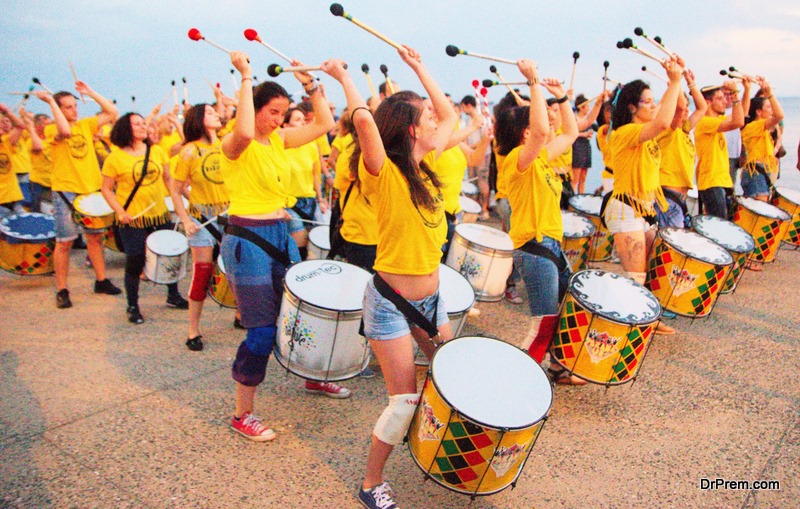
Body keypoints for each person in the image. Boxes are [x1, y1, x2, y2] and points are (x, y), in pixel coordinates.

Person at [326, 45, 457, 509]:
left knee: (450, 375)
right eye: (427, 118)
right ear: (409, 129)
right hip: (389, 304)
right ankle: (370, 483)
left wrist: (418, 67)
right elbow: (365, 123)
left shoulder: (428, 168)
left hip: (430, 300)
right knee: (402, 400)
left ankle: (437, 451)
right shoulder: (384, 172)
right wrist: (343, 76)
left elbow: (450, 114)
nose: (437, 122)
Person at [220, 51, 347, 444]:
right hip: (247, 238)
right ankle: (243, 414)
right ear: (254, 107)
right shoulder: (234, 142)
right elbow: (243, 132)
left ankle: (313, 378)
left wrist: (311, 83)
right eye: (272, 112)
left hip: (280, 232)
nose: (277, 120)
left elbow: (325, 122)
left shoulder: (278, 140)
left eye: (283, 112)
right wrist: (245, 77)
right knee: (260, 331)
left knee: (302, 314)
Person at [495, 62, 581, 384]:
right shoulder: (516, 159)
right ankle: (516, 383)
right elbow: (545, 131)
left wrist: (561, 98)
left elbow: (570, 133)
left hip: (550, 245)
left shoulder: (541, 158)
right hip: (535, 247)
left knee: (563, 313)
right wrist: (533, 82)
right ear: (525, 132)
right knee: (543, 323)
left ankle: (558, 367)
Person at [602, 57, 684, 335]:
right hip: (625, 209)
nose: (653, 105)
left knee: (648, 270)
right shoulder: (625, 133)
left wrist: (680, 80)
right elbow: (662, 122)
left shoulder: (645, 134)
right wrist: (673, 82)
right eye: (647, 101)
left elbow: (673, 111)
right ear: (631, 107)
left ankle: (644, 317)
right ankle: (627, 324)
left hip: (644, 210)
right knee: (635, 277)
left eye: (652, 100)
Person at [35, 83, 121, 309]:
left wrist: (91, 93)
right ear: (59, 110)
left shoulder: (86, 125)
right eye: (69, 107)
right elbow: (65, 131)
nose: (75, 110)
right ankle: (62, 289)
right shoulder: (52, 130)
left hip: (90, 188)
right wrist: (51, 102)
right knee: (65, 242)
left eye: (75, 106)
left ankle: (101, 280)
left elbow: (112, 113)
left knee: (95, 237)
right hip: (66, 191)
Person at [100, 113, 189, 324]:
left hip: (159, 213)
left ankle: (173, 295)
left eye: (143, 123)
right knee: (135, 259)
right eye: (137, 124)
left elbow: (169, 180)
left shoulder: (156, 151)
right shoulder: (115, 157)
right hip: (133, 219)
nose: (143, 127)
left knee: (170, 255)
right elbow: (106, 189)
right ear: (125, 129)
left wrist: (181, 202)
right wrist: (120, 212)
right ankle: (132, 305)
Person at [170, 103, 229, 350]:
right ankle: (193, 329)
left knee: (234, 268)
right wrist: (185, 219)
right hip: (202, 218)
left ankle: (238, 314)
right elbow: (174, 188)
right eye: (209, 112)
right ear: (198, 119)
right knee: (203, 271)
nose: (216, 114)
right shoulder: (189, 151)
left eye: (216, 111)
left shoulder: (227, 144)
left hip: (229, 213)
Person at [655, 69, 707, 228]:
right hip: (668, 196)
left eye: (686, 110)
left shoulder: (684, 130)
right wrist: (675, 83)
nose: (685, 112)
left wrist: (690, 82)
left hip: (679, 198)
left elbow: (702, 108)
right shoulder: (668, 130)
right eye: (683, 110)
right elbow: (680, 106)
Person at [695, 80, 748, 218]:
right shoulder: (704, 122)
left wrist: (746, 89)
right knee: (719, 225)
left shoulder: (717, 120)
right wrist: (735, 94)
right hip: (712, 182)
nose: (724, 102)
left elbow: (742, 114)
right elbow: (738, 122)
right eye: (719, 98)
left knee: (725, 223)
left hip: (722, 181)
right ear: (707, 102)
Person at [283, 107, 328, 260]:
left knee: (320, 240)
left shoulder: (312, 145)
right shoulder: (280, 148)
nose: (302, 123)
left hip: (310, 200)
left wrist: (320, 199)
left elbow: (315, 174)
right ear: (285, 126)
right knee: (300, 242)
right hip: (290, 202)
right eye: (297, 120)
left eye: (303, 119)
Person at [740, 78, 784, 201]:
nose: (771, 110)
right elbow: (779, 115)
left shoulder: (762, 128)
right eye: (768, 107)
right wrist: (769, 93)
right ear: (759, 112)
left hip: (761, 173)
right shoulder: (754, 126)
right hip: (755, 174)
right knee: (760, 212)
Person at [571, 91, 606, 194]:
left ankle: (581, 197)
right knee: (575, 179)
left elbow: (599, 127)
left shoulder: (588, 120)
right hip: (577, 148)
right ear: (581, 107)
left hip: (586, 147)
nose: (589, 108)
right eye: (587, 106)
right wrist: (584, 135)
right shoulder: (574, 118)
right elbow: (569, 133)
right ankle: (572, 200)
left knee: (583, 177)